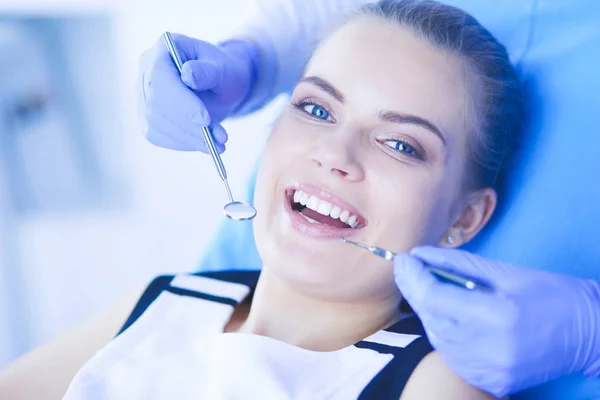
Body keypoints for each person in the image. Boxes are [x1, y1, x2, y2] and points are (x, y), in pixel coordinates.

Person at [137, 0, 600, 398]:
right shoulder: (167, 303)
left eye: (401, 145)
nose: (335, 154)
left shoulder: (432, 385)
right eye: (315, 108)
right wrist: (254, 56)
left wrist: (592, 332)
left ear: (465, 217)